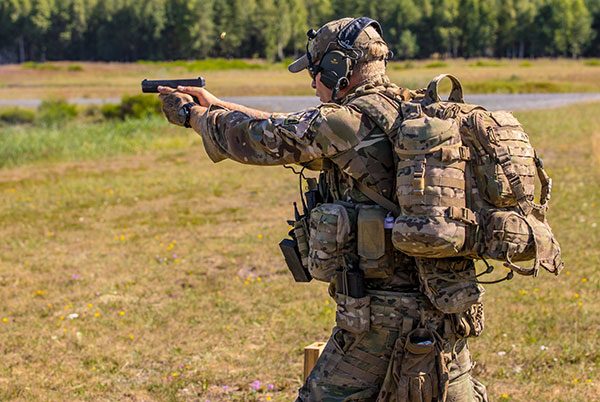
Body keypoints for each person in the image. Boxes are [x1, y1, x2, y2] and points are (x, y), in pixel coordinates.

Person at [158, 17, 488, 402]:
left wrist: (192, 116)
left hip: (382, 316)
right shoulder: (412, 110)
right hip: (446, 302)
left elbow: (258, 140)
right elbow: (288, 126)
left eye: (316, 72)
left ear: (338, 69)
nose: (313, 84)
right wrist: (218, 105)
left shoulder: (344, 121)